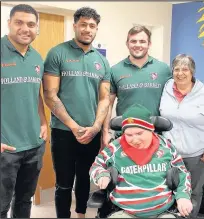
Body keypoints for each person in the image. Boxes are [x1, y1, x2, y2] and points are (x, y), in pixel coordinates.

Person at [43, 7, 111, 218]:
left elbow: (104, 98)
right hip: (63, 132)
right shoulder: (58, 53)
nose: (87, 29)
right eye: (83, 24)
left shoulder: (101, 61)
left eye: (92, 26)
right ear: (75, 26)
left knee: (84, 179)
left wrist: (97, 128)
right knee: (63, 184)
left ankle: (81, 214)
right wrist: (74, 126)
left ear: (96, 29)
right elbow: (49, 94)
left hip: (91, 132)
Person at [90, 104, 193, 218]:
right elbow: (96, 165)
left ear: (150, 129)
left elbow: (182, 171)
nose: (135, 139)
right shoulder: (115, 148)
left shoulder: (166, 147)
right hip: (126, 212)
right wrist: (101, 174)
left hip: (163, 211)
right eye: (129, 135)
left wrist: (183, 196)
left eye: (139, 133)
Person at [159, 54, 204, 217]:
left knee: (192, 194)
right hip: (169, 154)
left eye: (185, 69)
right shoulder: (166, 88)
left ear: (192, 72)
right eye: (176, 69)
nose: (180, 73)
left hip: (196, 156)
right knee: (167, 191)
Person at [1, 4, 47, 218]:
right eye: (19, 22)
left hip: (34, 146)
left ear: (36, 28)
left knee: (23, 202)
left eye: (31, 24)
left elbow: (35, 94)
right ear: (9, 23)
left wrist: (44, 122)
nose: (25, 28)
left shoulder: (37, 57)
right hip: (6, 148)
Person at [102, 25, 172, 146]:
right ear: (127, 43)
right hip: (125, 136)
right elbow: (108, 104)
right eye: (133, 41)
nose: (137, 45)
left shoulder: (163, 69)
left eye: (142, 41)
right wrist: (105, 132)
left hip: (155, 136)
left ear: (149, 44)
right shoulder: (115, 70)